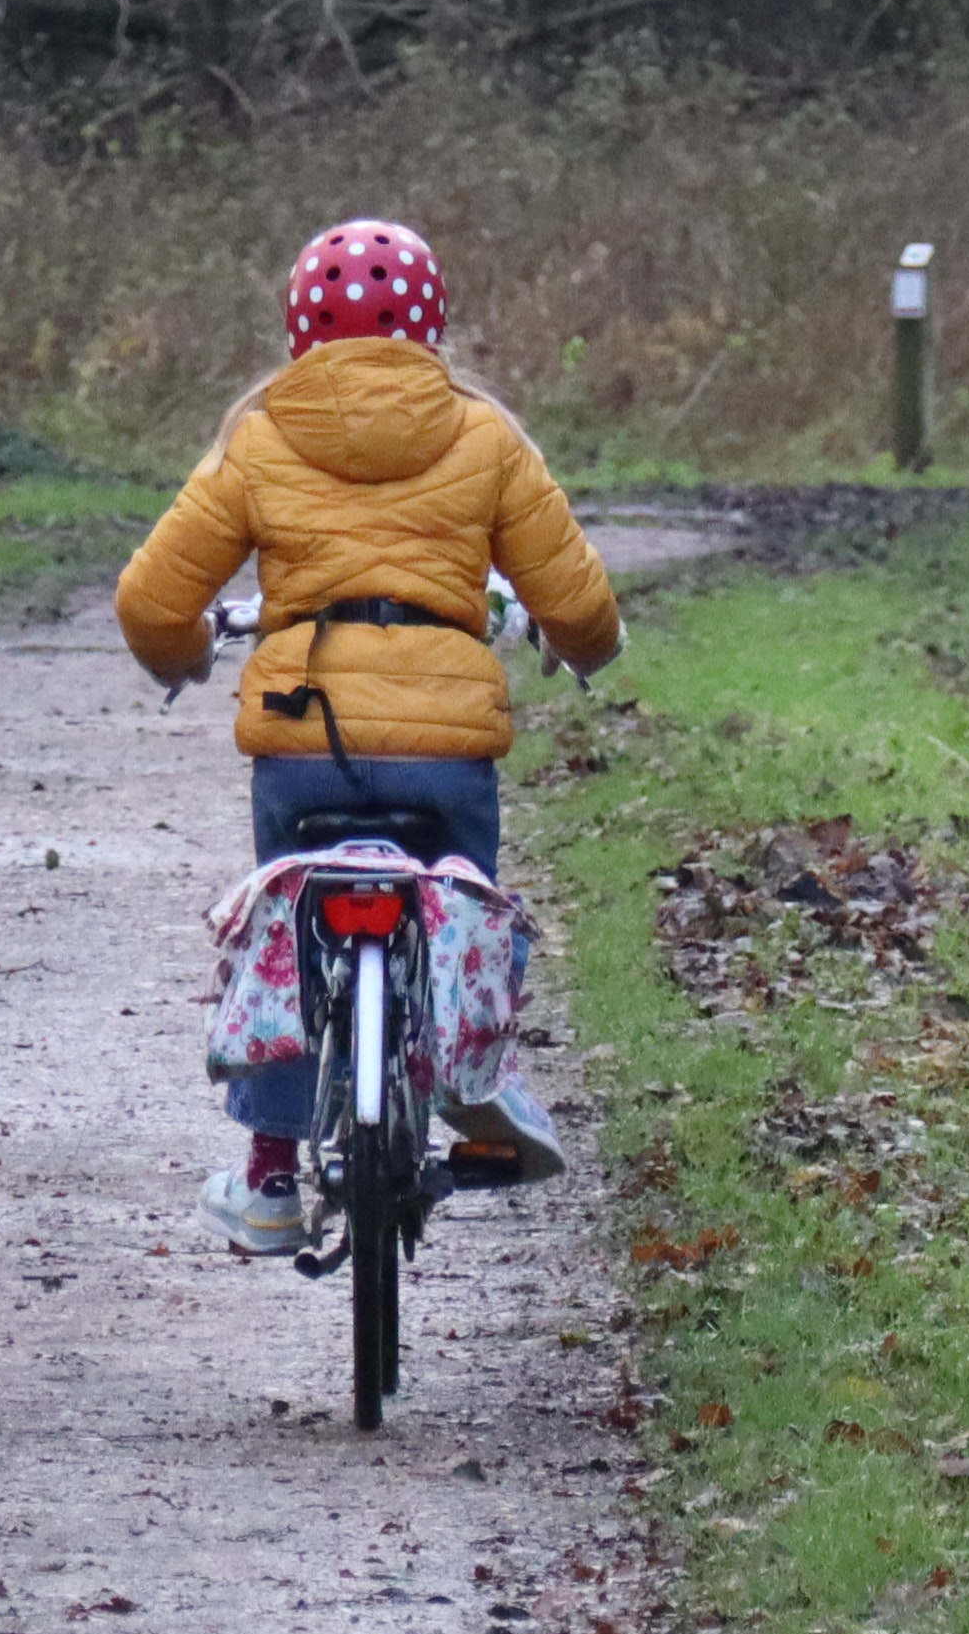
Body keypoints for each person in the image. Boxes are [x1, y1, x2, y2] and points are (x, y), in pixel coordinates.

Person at [114, 217, 628, 1256]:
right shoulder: (485, 436)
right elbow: (583, 612)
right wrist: (576, 643)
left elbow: (152, 599)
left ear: (297, 328)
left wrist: (184, 653)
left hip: (306, 745)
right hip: (445, 757)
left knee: (286, 934)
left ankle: (267, 1171)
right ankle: (480, 1068)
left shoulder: (259, 436)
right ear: (434, 323)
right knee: (463, 913)